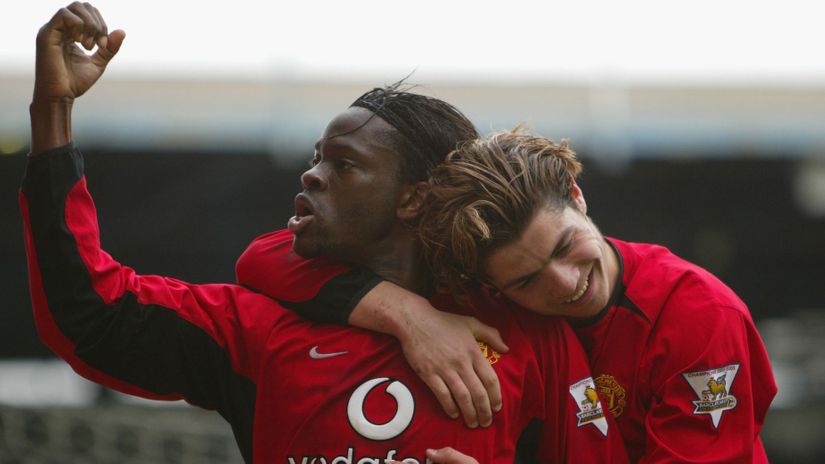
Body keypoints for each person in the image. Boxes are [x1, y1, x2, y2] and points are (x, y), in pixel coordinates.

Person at [22, 3, 628, 463]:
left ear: (414, 198)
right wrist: (52, 111)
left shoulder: (528, 335)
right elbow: (89, 313)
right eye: (317, 157)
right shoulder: (252, 326)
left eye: (344, 164)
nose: (312, 174)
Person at [241, 128, 776, 462]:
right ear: (489, 283)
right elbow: (265, 257)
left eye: (566, 246)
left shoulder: (700, 314)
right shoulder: (478, 296)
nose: (565, 284)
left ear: (577, 195)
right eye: (526, 281)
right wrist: (407, 314)